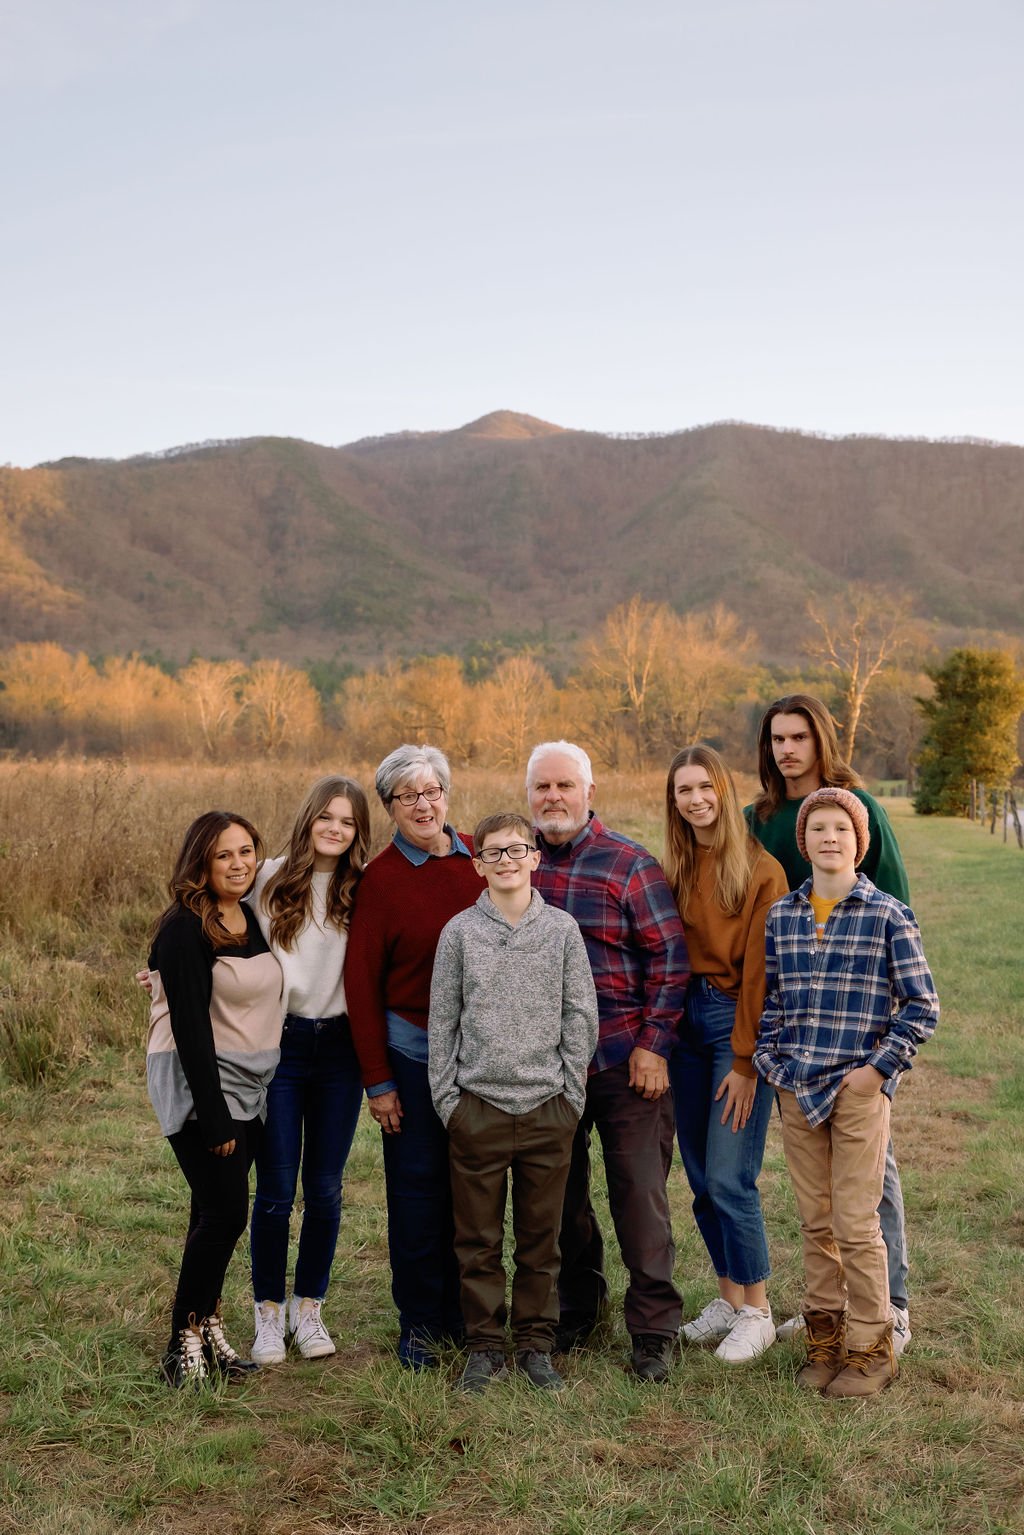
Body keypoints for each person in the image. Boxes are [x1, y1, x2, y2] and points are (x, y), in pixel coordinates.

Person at [753, 787, 938, 1397]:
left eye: (841, 829)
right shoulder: (783, 916)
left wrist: (877, 1072)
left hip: (858, 1089)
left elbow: (920, 1005)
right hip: (798, 1087)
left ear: (859, 842)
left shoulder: (887, 914)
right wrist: (772, 1062)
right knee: (815, 1222)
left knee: (857, 1222)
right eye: (818, 829)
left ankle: (870, 1348)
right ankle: (824, 1340)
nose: (829, 838)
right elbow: (774, 1000)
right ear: (803, 842)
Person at [744, 693, 914, 1355]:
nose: (788, 749)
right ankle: (832, 1308)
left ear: (821, 740)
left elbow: (893, 897)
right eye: (777, 738)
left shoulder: (856, 806)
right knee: (815, 1188)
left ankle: (890, 1305)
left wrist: (884, 1038)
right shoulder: (762, 818)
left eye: (799, 736)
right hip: (795, 1020)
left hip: (859, 1020)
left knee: (872, 1170)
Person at [526, 741, 690, 1383]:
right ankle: (578, 1304)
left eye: (565, 786)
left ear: (590, 793)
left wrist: (654, 1045)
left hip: (625, 1059)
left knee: (639, 1197)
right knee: (558, 1198)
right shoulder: (520, 865)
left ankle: (653, 1329)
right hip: (547, 1068)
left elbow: (671, 960)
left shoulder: (628, 864)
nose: (553, 798)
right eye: (542, 787)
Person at [429, 812, 599, 1394]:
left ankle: (535, 1344)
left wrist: (570, 1094)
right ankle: (483, 1346)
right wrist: (450, 1101)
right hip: (478, 1107)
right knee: (476, 1239)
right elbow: (442, 1022)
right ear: (477, 864)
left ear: (534, 858)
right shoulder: (459, 933)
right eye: (493, 852)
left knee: (540, 1237)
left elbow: (580, 1015)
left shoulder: (561, 930)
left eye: (516, 850)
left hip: (548, 1106)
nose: (506, 860)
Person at [345, 744, 482, 1370]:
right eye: (408, 797)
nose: (423, 805)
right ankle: (421, 1322)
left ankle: (468, 1313)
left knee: (474, 1192)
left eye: (432, 792)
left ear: (447, 795)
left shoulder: (482, 857)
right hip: (411, 1056)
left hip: (482, 1059)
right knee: (418, 1191)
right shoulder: (380, 880)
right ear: (390, 808)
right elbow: (361, 986)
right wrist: (378, 1081)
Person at [146, 811, 283, 1387]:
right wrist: (215, 1114)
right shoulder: (185, 927)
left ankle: (208, 1327)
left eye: (247, 851)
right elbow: (193, 1031)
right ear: (200, 860)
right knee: (226, 1212)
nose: (239, 864)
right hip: (201, 1082)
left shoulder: (248, 915)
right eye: (225, 854)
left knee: (212, 1212)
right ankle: (184, 1339)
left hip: (247, 1081)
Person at [663, 745, 788, 1363]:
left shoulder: (760, 870)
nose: (695, 800)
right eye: (683, 790)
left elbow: (762, 977)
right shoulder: (680, 864)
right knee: (698, 1177)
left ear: (723, 790)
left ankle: (759, 1311)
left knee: (729, 1175)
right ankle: (729, 1298)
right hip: (681, 1023)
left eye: (704, 788)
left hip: (731, 1023)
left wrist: (745, 1062)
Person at [248, 775, 371, 1366]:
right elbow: (209, 925)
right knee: (274, 1189)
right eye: (327, 817)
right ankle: (267, 1314)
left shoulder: (364, 887)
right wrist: (162, 972)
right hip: (282, 1045)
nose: (336, 829)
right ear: (309, 819)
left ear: (358, 831)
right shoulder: (269, 877)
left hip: (341, 1050)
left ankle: (308, 1308)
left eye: (348, 822)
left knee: (324, 1188)